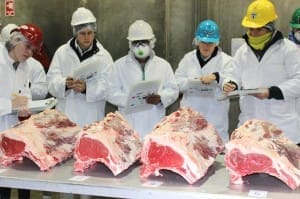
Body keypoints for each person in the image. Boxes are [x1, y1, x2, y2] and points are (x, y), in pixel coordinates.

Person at [223, 0, 300, 145]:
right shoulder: (242, 51)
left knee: (282, 167)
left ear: (270, 27)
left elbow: (298, 80)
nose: (253, 33)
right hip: (250, 126)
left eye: (259, 29)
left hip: (281, 128)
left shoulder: (288, 49)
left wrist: (272, 91)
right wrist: (230, 83)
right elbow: (232, 73)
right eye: (251, 29)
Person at [107, 19, 179, 139]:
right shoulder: (119, 66)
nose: (140, 46)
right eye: (136, 42)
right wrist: (129, 99)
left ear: (152, 42)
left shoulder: (163, 65)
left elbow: (173, 89)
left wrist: (161, 98)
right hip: (128, 127)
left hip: (155, 125)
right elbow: (110, 92)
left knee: (152, 153)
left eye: (144, 42)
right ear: (130, 44)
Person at [0, 24, 48, 199]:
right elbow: (12, 101)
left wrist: (24, 108)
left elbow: (24, 93)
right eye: (28, 47)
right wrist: (9, 105)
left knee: (21, 180)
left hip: (15, 134)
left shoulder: (24, 66)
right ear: (15, 40)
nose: (30, 53)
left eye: (33, 50)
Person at [47, 7, 113, 128]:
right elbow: (50, 82)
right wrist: (64, 84)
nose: (87, 37)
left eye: (90, 33)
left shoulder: (104, 56)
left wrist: (87, 88)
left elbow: (109, 87)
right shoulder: (62, 53)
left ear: (94, 32)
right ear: (76, 33)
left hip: (92, 117)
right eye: (82, 33)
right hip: (65, 115)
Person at [175, 19, 233, 143]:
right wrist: (194, 82)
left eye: (210, 43)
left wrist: (217, 77)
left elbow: (231, 81)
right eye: (203, 42)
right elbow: (177, 82)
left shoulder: (227, 61)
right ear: (197, 41)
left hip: (215, 124)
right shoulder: (187, 59)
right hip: (190, 124)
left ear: (216, 43)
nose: (206, 46)